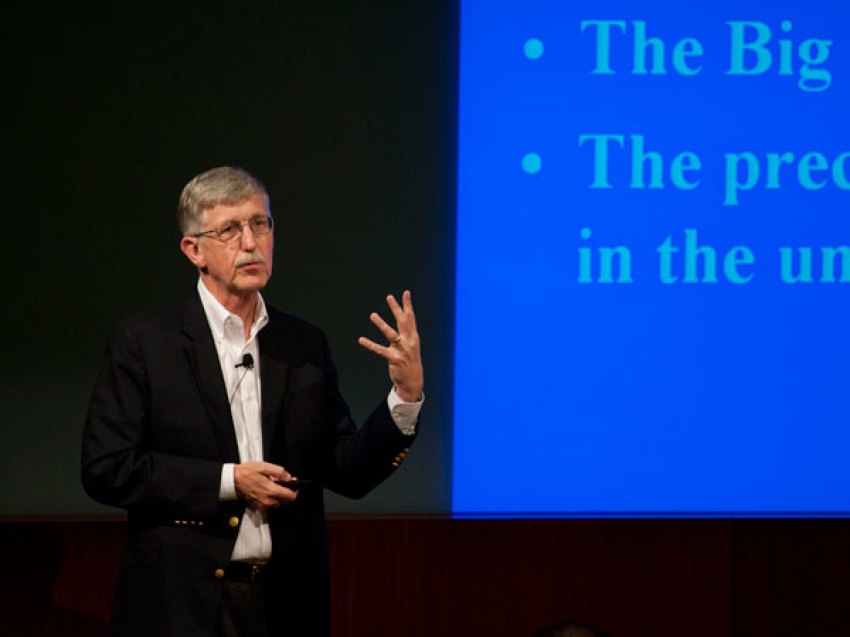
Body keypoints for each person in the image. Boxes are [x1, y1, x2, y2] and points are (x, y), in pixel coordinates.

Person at [81, 166, 423, 637]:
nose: (250, 242)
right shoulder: (145, 341)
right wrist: (230, 482)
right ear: (194, 250)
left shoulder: (303, 344)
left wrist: (405, 396)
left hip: (286, 604)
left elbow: (347, 470)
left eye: (260, 224)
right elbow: (108, 467)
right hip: (181, 606)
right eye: (230, 229)